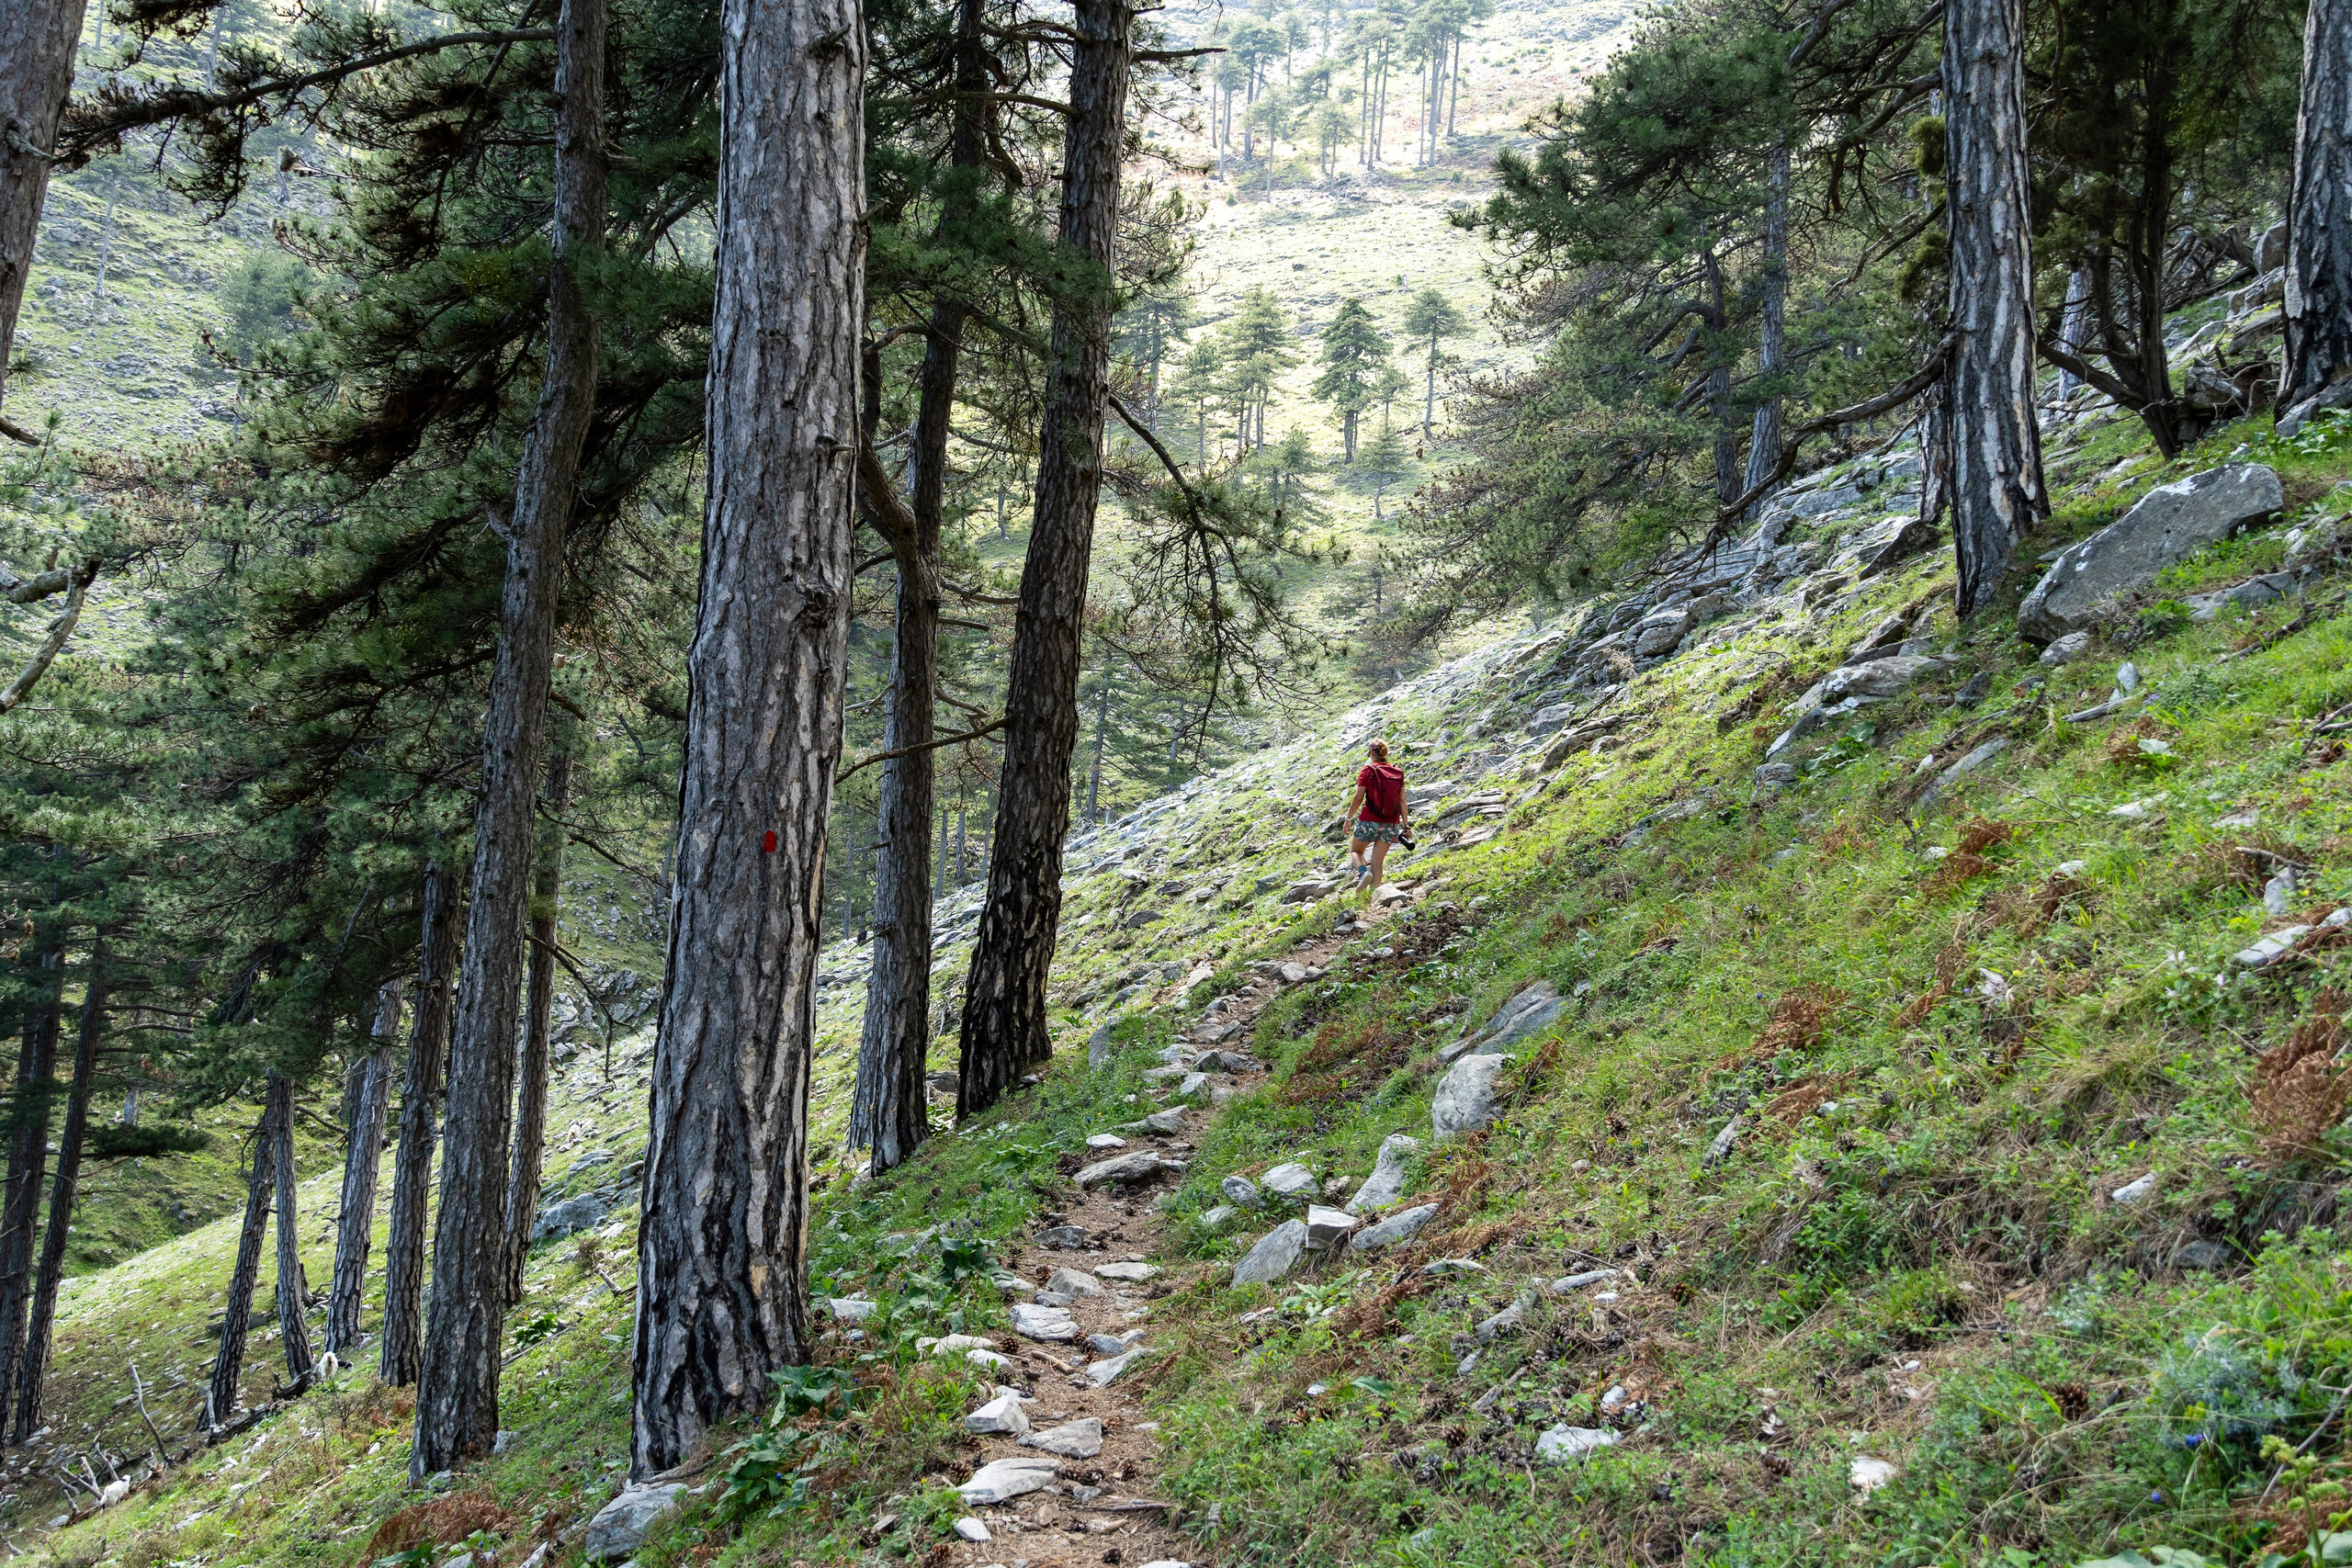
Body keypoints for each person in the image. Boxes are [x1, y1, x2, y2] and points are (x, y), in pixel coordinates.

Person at [1344, 739, 1410, 891]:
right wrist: (1406, 826)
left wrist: (1348, 818)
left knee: (1356, 851)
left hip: (1369, 820)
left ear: (1371, 753)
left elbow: (1358, 798)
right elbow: (1402, 800)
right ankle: (1373, 897)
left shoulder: (1367, 770)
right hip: (1391, 823)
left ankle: (1362, 872)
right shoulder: (1397, 772)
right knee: (1377, 863)